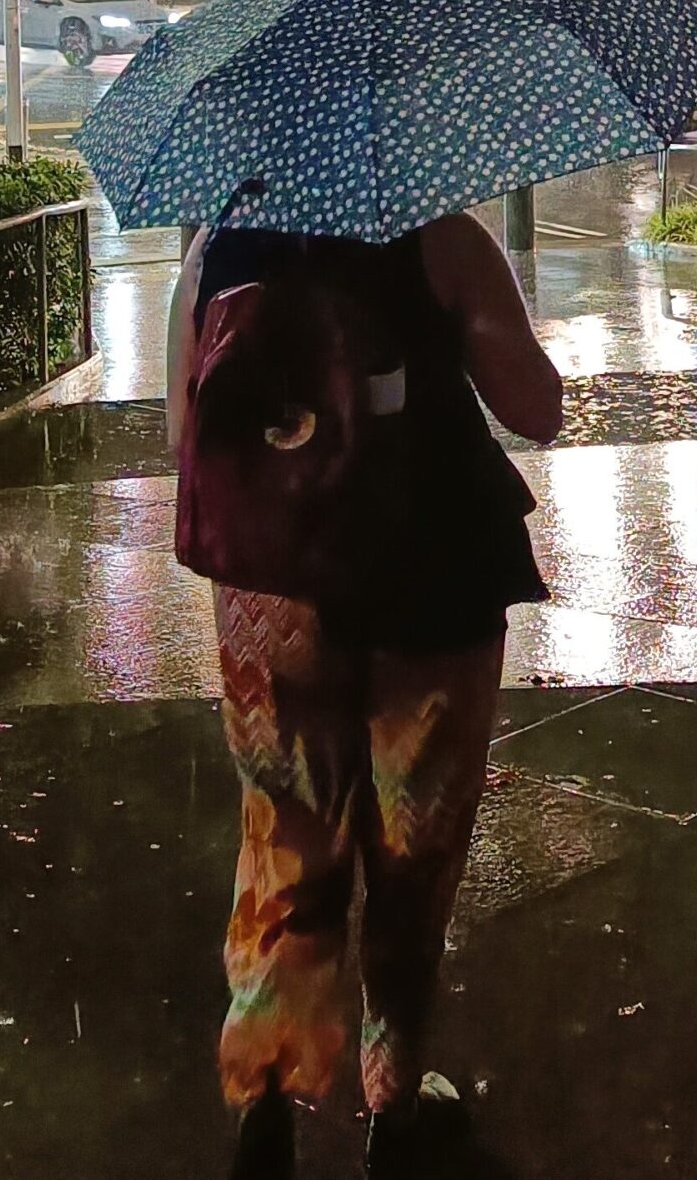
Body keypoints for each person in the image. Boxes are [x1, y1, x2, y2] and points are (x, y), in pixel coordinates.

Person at [167, 213, 564, 1180]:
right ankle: (392, 1101)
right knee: (413, 852)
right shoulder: (441, 242)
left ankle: (264, 1095)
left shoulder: (219, 251)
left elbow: (188, 437)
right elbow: (538, 408)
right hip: (433, 589)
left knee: (283, 838)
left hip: (275, 599)